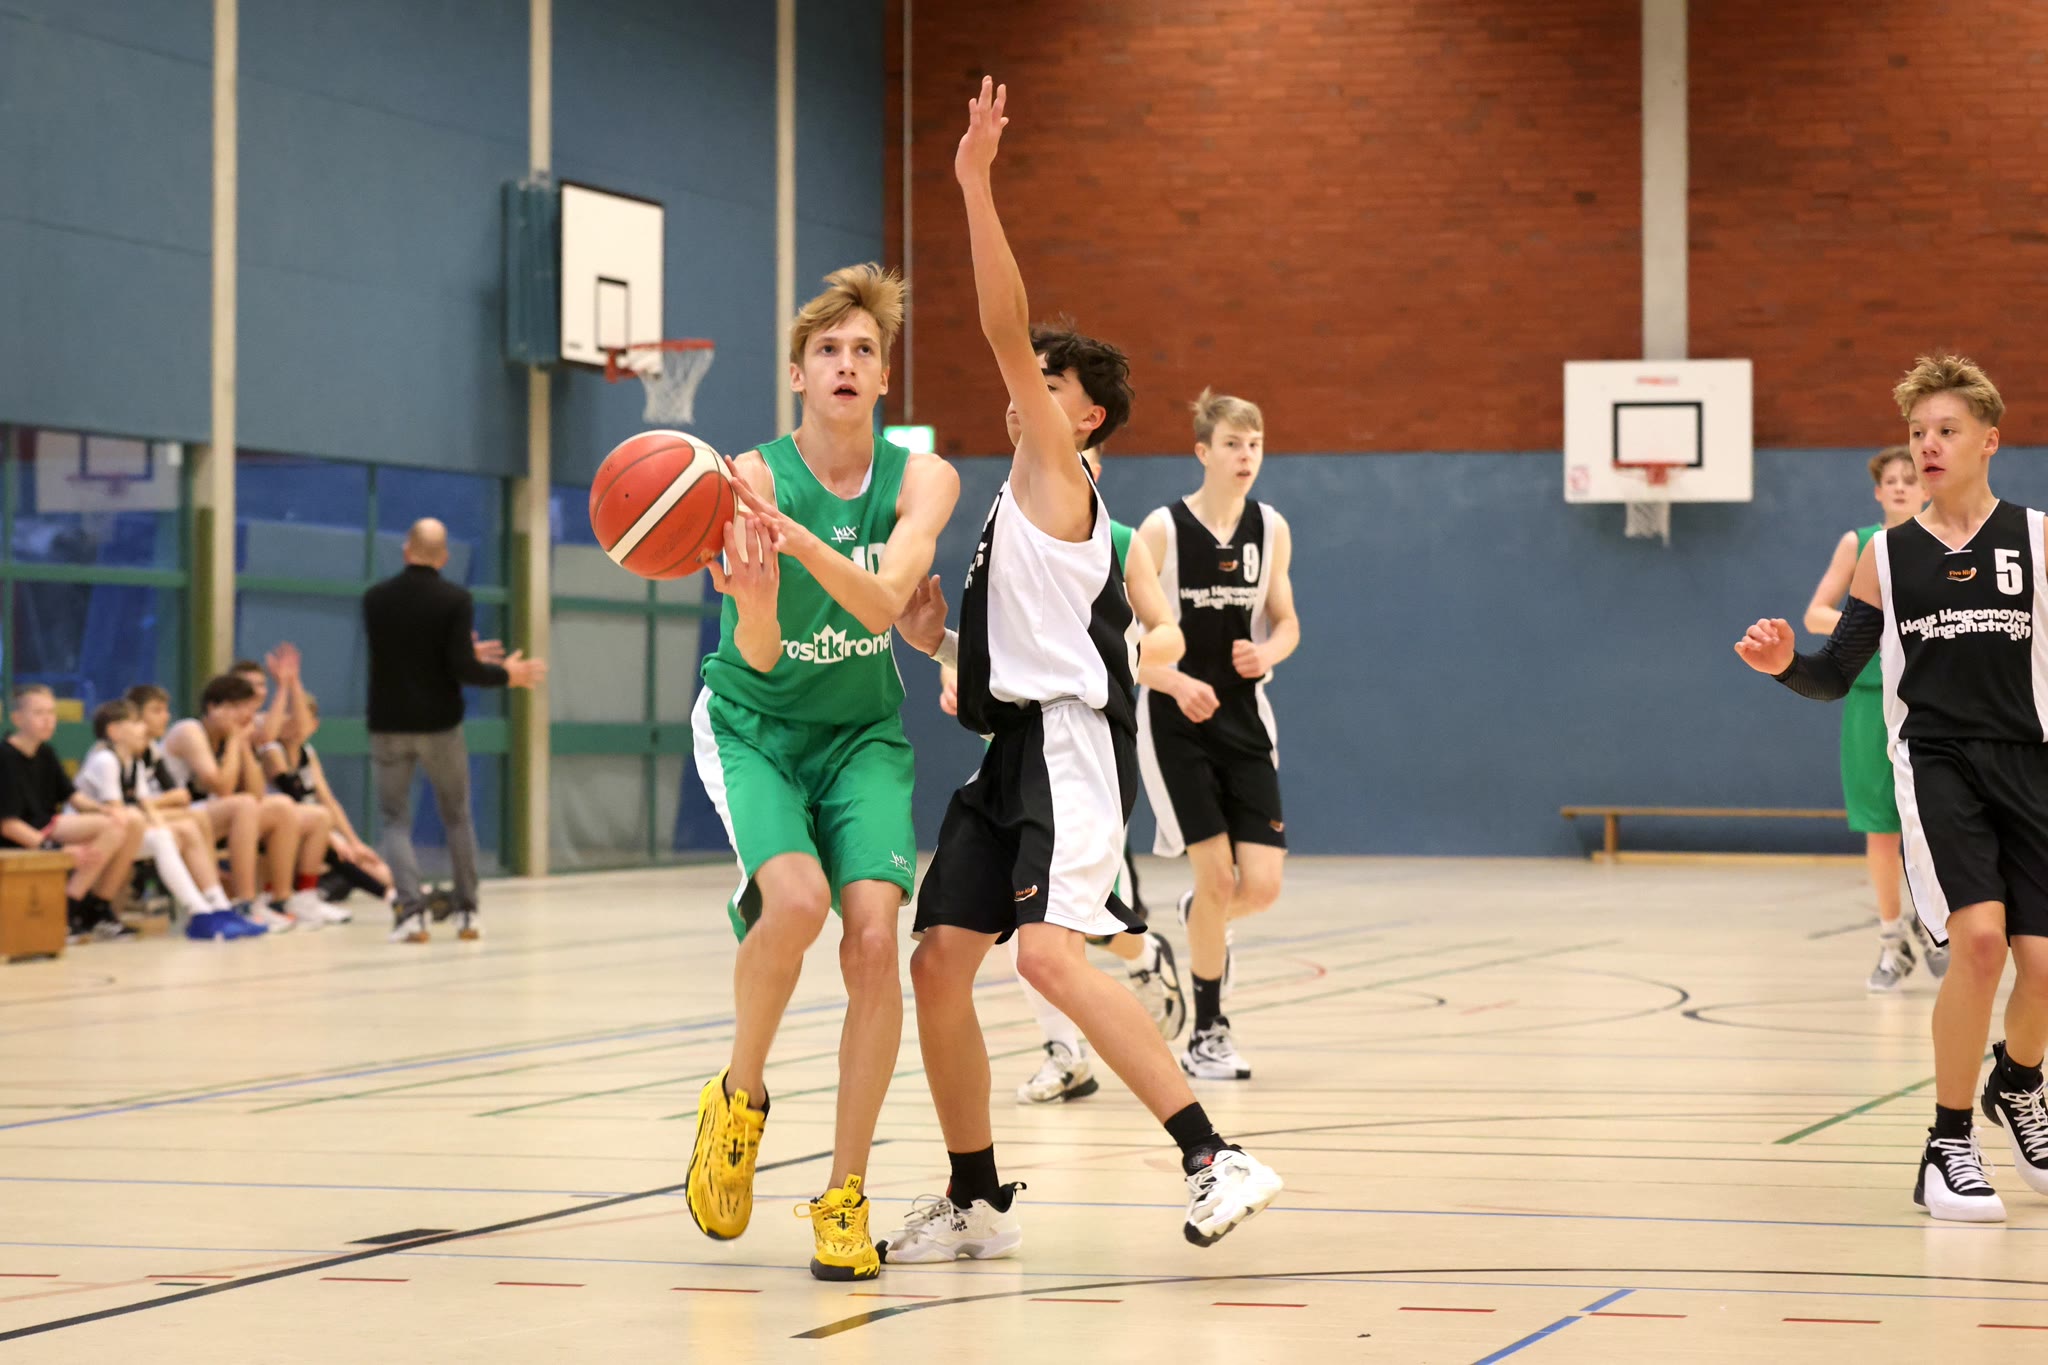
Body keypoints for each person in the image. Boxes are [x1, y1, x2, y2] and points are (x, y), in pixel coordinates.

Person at [881, 79, 1282, 1262]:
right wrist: (938, 644)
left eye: (1049, 383)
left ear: (1085, 419)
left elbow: (1004, 329)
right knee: (936, 963)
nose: (1026, 387)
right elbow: (1012, 662)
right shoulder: (1019, 509)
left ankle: (1213, 1155)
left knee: (1049, 955)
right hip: (1010, 751)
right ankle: (975, 1198)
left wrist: (972, 182)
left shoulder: (1060, 477)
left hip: (1066, 751)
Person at [685, 261, 959, 1282]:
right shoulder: (748, 480)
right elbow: (757, 649)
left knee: (876, 941)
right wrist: (760, 596)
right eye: (827, 350)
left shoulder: (921, 480)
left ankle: (844, 1194)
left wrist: (798, 546)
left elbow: (884, 606)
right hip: (755, 722)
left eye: (864, 351)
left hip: (859, 736)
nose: (846, 363)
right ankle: (739, 1098)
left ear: (883, 377)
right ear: (797, 375)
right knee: (796, 903)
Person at [1736, 354, 2048, 1222]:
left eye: (1947, 430)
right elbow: (1835, 675)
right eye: (1918, 433)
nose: (1929, 446)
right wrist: (1784, 665)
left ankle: (2019, 1082)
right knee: (1979, 945)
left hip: (2030, 762)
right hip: (1939, 763)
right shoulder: (1885, 555)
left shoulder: (2037, 538)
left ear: (1990, 440)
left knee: (2045, 967)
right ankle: (1948, 1144)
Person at [933, 441, 1190, 1104]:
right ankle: (1063, 1052)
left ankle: (1145, 955)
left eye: (1083, 456)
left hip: (1080, 750)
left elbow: (1167, 631)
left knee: (1067, 927)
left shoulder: (1120, 540)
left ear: (1096, 470)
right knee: (1023, 922)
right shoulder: (1009, 533)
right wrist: (951, 666)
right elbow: (988, 642)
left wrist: (1126, 659)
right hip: (1014, 744)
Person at [1136, 388, 1300, 1080]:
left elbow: (1287, 621)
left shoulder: (1272, 528)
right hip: (1177, 722)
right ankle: (1207, 1033)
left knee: (1260, 886)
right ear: (1202, 451)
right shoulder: (1162, 531)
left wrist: (1268, 652)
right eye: (1233, 444)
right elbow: (1126, 645)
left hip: (1244, 719)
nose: (1246, 456)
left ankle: (1200, 913)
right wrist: (1175, 682)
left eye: (1254, 444)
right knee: (1217, 873)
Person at [1802, 447, 1947, 991]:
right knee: (1880, 829)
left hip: (1930, 701)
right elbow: (1815, 613)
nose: (1902, 487)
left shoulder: (1944, 542)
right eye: (1892, 480)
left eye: (1911, 479)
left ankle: (1935, 925)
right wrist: (1874, 623)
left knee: (1933, 825)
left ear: (1927, 489)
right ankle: (1891, 940)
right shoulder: (1860, 543)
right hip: (1869, 701)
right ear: (1879, 492)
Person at [363, 518, 544, 943]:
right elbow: (460, 668)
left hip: (388, 724)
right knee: (457, 816)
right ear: (443, 557)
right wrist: (506, 674)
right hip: (440, 725)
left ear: (406, 550)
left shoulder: (375, 600)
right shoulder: (455, 599)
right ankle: (467, 912)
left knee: (394, 819)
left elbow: (404, 655)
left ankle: (411, 914)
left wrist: (454, 653)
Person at [74, 700, 255, 939]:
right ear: (114, 731)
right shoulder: (105, 760)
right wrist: (163, 827)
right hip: (91, 834)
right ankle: (199, 912)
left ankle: (219, 907)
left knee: (185, 829)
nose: (143, 728)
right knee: (162, 837)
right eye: (136, 723)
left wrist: (168, 825)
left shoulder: (133, 762)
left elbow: (148, 808)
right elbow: (118, 813)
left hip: (124, 832)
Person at [162, 674, 321, 931]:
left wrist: (244, 746)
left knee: (281, 806)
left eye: (247, 708)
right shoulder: (190, 731)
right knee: (243, 805)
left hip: (207, 816)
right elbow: (222, 787)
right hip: (174, 814)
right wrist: (237, 740)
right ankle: (245, 902)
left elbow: (257, 793)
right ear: (212, 707)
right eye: (235, 707)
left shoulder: (229, 737)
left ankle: (279, 901)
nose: (244, 715)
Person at [0, 684, 145, 941]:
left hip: (47, 825)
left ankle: (99, 907)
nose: (48, 720)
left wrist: (105, 809)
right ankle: (69, 908)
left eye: (51, 712)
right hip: (23, 835)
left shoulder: (46, 752)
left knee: (131, 821)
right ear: (17, 718)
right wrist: (55, 850)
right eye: (39, 713)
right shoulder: (5, 757)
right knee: (112, 827)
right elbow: (9, 824)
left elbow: (73, 797)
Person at [237, 650, 345, 926]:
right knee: (284, 808)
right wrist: (283, 688)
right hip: (237, 805)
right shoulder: (242, 722)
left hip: (259, 805)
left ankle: (298, 898)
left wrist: (292, 683)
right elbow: (267, 737)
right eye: (249, 685)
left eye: (262, 684)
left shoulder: (263, 718)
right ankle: (263, 899)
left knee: (319, 816)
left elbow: (303, 727)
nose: (257, 691)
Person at [262, 695, 393, 917]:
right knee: (338, 850)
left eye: (300, 718)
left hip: (313, 824)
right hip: (288, 827)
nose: (294, 723)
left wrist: (354, 842)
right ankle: (388, 896)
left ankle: (404, 893)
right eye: (289, 717)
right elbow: (294, 797)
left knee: (374, 865)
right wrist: (331, 837)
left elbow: (328, 799)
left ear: (313, 724)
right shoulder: (272, 751)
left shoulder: (307, 752)